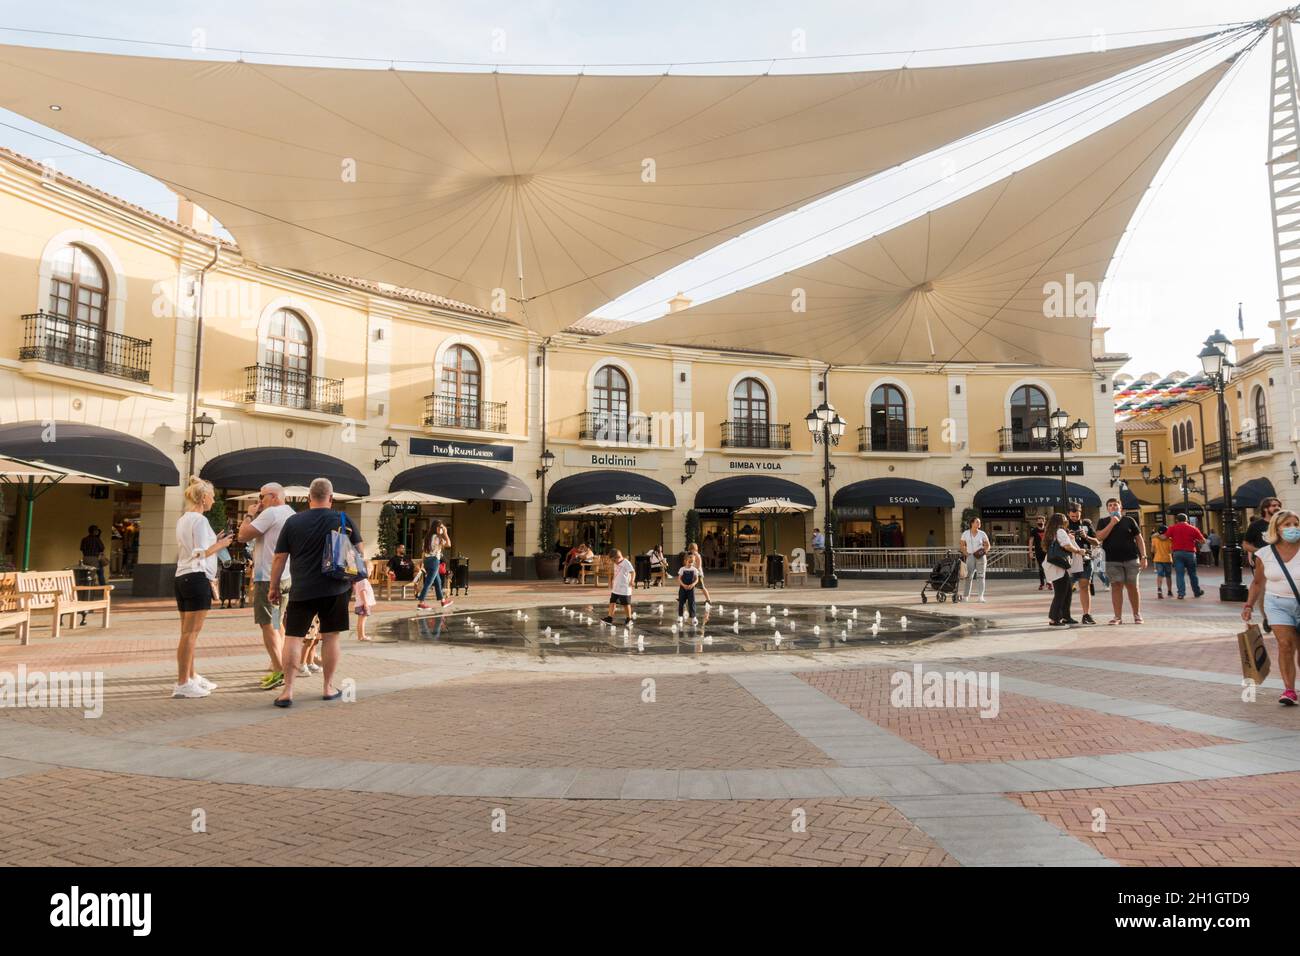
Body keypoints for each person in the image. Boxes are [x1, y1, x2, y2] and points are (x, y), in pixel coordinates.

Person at [268, 478, 361, 707]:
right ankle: (328, 687)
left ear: (309, 498)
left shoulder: (293, 521)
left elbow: (280, 557)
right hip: (336, 588)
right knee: (331, 637)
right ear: (331, 498)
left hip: (302, 589)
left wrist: (273, 587)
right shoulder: (342, 519)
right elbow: (358, 552)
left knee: (293, 638)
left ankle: (287, 691)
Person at [172, 477, 233, 699]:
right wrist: (221, 544)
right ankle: (182, 683)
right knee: (190, 634)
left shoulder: (184, 519)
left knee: (187, 633)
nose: (214, 500)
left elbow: (193, 549)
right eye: (213, 496)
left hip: (182, 577)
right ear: (204, 497)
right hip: (197, 578)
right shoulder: (199, 520)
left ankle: (191, 676)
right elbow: (199, 553)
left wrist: (213, 541)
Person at [237, 482, 294, 691]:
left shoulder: (271, 514)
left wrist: (250, 515)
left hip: (267, 577)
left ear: (274, 496)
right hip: (286, 575)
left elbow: (242, 536)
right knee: (278, 622)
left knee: (267, 624)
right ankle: (281, 663)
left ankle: (279, 669)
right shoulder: (290, 512)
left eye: (262, 497)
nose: (259, 502)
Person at [1242, 508, 1300, 705]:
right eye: (1287, 525)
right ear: (1277, 528)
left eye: (1296, 524)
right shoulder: (1264, 553)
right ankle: (1289, 690)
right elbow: (1258, 583)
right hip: (1276, 604)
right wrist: (1249, 605)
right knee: (1285, 645)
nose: (1293, 528)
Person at [1095, 497, 1147, 625]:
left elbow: (1139, 539)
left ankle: (1137, 614)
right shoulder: (1103, 521)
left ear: (1120, 507)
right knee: (1116, 587)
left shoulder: (1129, 520)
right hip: (1112, 560)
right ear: (1107, 509)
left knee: (1133, 587)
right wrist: (1112, 523)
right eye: (1110, 505)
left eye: (1115, 505)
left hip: (1131, 559)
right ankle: (1117, 617)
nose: (1113, 507)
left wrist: (1144, 557)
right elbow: (1099, 537)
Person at [1244, 497, 1283, 628]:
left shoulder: (1283, 523)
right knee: (1263, 590)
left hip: (1284, 562)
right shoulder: (1256, 526)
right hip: (1264, 563)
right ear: (1265, 508)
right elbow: (1245, 544)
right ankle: (1267, 617)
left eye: (1278, 505)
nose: (1277, 507)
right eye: (1273, 505)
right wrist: (1259, 551)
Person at [1042, 512, 1085, 625]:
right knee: (1061, 593)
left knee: (1066, 592)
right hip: (1059, 566)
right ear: (1061, 522)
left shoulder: (1051, 532)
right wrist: (1078, 551)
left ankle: (1066, 616)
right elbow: (1066, 545)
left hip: (1054, 565)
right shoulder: (1060, 531)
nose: (1067, 521)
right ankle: (1054, 618)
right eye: (1065, 519)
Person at [1065, 504, 1099, 625]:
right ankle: (1065, 614)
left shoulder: (1086, 523)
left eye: (1077, 515)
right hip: (1070, 560)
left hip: (1086, 558)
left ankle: (1086, 614)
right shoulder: (1064, 524)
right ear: (1068, 513)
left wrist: (1086, 536)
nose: (1075, 518)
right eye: (1072, 515)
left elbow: (1096, 541)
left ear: (1081, 512)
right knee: (1066, 588)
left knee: (1085, 586)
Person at [1165, 513, 1206, 599]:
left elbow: (1165, 537)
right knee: (1192, 574)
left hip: (1177, 553)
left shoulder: (1172, 528)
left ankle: (1181, 594)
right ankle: (1197, 592)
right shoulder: (1193, 528)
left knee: (1179, 574)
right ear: (1186, 520)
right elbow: (1203, 541)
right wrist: (1195, 540)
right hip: (1190, 553)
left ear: (1177, 520)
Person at [416, 521, 453, 610]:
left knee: (438, 581)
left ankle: (443, 601)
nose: (441, 529)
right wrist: (445, 533)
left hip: (427, 560)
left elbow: (423, 551)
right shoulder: (437, 538)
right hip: (434, 561)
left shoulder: (427, 537)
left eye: (442, 528)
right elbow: (449, 544)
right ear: (435, 528)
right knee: (428, 582)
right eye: (440, 527)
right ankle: (421, 602)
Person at [959, 516, 990, 602]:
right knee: (968, 577)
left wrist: (984, 551)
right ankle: (965, 597)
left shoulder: (982, 534)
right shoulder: (965, 533)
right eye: (977, 522)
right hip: (970, 556)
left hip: (980, 557)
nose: (979, 523)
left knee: (981, 576)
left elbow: (987, 545)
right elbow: (961, 545)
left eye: (979, 522)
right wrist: (966, 553)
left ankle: (981, 597)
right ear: (972, 523)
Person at [602, 548, 635, 625]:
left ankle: (629, 619)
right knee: (612, 602)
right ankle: (609, 618)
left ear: (618, 557)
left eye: (614, 560)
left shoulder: (626, 562)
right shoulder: (615, 563)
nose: (613, 562)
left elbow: (633, 572)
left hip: (624, 588)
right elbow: (615, 573)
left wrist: (632, 580)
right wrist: (611, 581)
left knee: (626, 604)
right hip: (616, 588)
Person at [676, 553, 710, 623]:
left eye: (692, 562)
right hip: (683, 588)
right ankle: (680, 616)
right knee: (681, 602)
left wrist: (693, 584)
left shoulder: (694, 569)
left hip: (691, 589)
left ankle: (693, 617)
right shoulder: (682, 569)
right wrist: (683, 585)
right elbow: (679, 579)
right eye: (689, 562)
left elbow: (697, 579)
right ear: (685, 561)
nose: (691, 564)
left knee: (692, 603)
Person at [1151, 525, 1173, 599]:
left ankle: (1159, 590)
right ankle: (1169, 591)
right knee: (1168, 576)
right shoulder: (1170, 539)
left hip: (1158, 559)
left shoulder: (1154, 539)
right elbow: (1171, 550)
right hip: (1167, 559)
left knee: (1160, 575)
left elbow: (1152, 550)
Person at [353, 572, 375, 642]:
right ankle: (362, 636)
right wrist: (365, 603)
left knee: (360, 621)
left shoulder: (359, 580)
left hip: (360, 603)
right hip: (363, 604)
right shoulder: (363, 581)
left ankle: (360, 636)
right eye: (370, 570)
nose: (370, 573)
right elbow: (363, 592)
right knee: (362, 621)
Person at [1028, 516, 1047, 590]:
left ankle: (1049, 583)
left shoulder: (1047, 530)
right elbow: (1031, 541)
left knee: (1048, 567)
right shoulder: (1034, 531)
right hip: (1038, 552)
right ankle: (1042, 584)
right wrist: (1030, 552)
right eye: (1039, 521)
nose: (1040, 523)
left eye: (1041, 521)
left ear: (1044, 521)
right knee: (1041, 568)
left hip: (1047, 551)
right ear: (1036, 522)